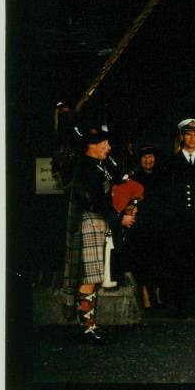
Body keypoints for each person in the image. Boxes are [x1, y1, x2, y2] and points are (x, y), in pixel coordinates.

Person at [62, 128, 135, 342]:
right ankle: (87, 329)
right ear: (92, 145)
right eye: (105, 143)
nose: (109, 148)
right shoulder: (86, 168)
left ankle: (91, 325)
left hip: (98, 222)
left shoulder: (97, 166)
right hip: (90, 222)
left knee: (93, 277)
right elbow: (97, 200)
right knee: (90, 277)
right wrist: (119, 217)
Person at [164, 117, 195, 317]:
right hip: (180, 221)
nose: (192, 138)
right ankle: (180, 307)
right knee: (180, 263)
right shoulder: (172, 162)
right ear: (181, 136)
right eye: (188, 134)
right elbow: (168, 195)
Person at [128, 145, 166, 311]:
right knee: (143, 260)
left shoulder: (162, 176)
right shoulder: (134, 178)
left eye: (150, 157)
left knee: (159, 260)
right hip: (141, 226)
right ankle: (145, 296)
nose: (147, 160)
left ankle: (157, 295)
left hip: (159, 225)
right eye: (144, 157)